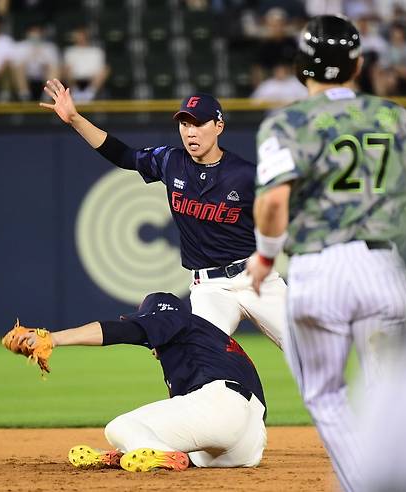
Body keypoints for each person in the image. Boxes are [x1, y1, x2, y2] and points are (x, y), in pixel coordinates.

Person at [246, 15, 406, 492]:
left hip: (320, 271)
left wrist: (266, 257)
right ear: (357, 64)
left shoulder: (286, 122)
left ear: (298, 65)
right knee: (389, 397)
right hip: (385, 269)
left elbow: (272, 202)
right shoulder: (396, 117)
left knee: (326, 397)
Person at [41, 79, 287, 348]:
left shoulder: (246, 175)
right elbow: (123, 155)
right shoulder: (171, 161)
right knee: (200, 358)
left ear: (218, 127)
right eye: (184, 124)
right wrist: (75, 119)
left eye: (199, 123)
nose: (190, 132)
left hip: (256, 278)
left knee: (311, 352)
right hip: (210, 288)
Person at [4, 292, 267, 472]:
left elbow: (126, 331)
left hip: (219, 405)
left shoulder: (174, 317)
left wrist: (54, 338)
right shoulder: (211, 342)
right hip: (248, 444)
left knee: (120, 427)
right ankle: (125, 455)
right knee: (185, 444)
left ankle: (147, 451)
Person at [62, 27, 109, 102]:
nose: (81, 39)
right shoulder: (70, 51)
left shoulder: (96, 51)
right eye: (78, 37)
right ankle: (75, 93)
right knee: (65, 69)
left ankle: (89, 94)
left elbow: (100, 68)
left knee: (105, 69)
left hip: (92, 78)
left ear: (87, 38)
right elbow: (67, 67)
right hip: (74, 78)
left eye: (82, 37)